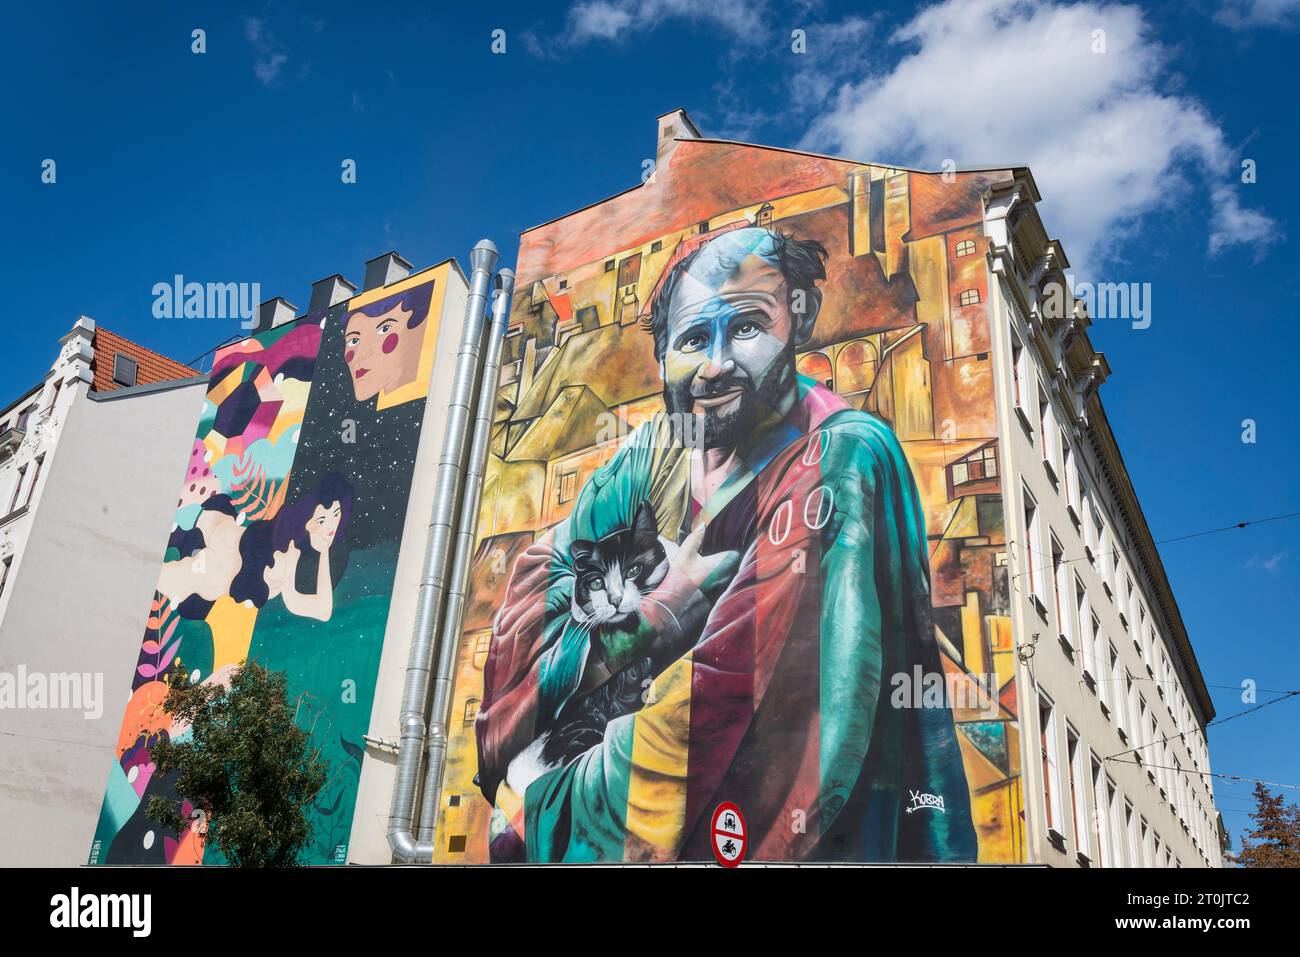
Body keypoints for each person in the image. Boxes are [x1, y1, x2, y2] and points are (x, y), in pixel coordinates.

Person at [475, 226, 977, 863]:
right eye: (691, 340)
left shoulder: (839, 463)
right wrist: (653, 621)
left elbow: (722, 717)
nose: (715, 365)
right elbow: (516, 637)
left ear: (800, 318)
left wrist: (538, 801)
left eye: (744, 327)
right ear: (662, 359)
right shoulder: (647, 459)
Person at [158, 472, 354, 623]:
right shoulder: (289, 551)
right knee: (174, 581)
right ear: (305, 519)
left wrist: (324, 553)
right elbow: (320, 609)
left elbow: (323, 611)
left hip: (223, 551)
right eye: (321, 519)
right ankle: (187, 539)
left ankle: (188, 539)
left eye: (336, 514)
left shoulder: (296, 551)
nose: (331, 527)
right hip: (221, 561)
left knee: (192, 604)